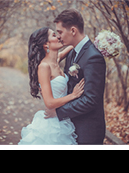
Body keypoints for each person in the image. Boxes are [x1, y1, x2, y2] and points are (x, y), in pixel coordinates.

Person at [44, 9, 106, 144]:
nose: (58, 36)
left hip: (88, 130)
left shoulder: (93, 57)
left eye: (60, 32)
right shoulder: (72, 52)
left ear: (73, 31)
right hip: (71, 125)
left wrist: (58, 112)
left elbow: (91, 99)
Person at [19, 27, 83, 145]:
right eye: (54, 35)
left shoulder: (56, 60)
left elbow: (72, 45)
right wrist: (73, 95)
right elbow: (48, 102)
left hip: (63, 118)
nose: (58, 37)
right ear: (45, 44)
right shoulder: (44, 67)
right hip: (51, 124)